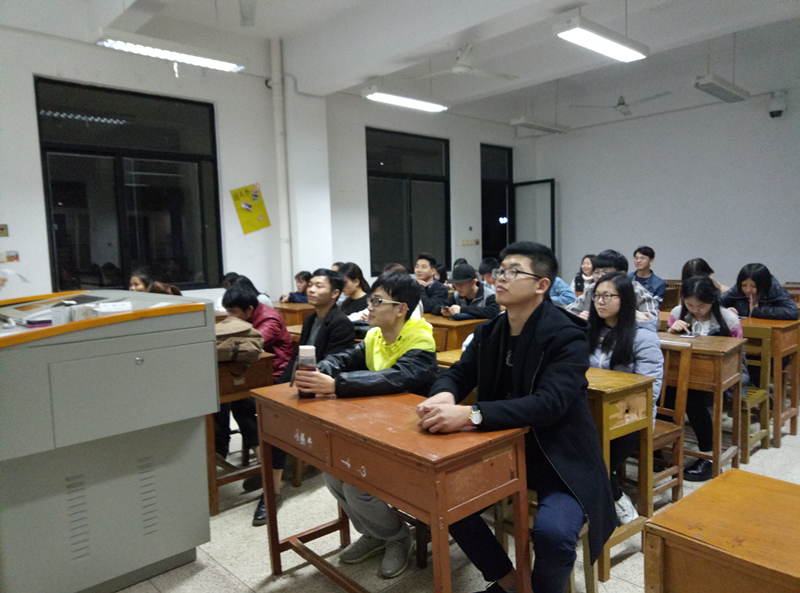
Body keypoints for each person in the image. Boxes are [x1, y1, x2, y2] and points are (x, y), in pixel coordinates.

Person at [417, 241, 615, 593]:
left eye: (513, 272)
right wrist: (444, 394)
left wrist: (472, 414)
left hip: (559, 457)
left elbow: (549, 404)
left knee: (553, 534)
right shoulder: (490, 332)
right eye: (500, 271)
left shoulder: (568, 335)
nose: (500, 278)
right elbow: (458, 374)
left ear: (542, 285)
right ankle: (509, 581)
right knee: (444, 500)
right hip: (500, 450)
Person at [294, 272, 438, 579]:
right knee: (333, 474)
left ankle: (398, 537)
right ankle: (375, 533)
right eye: (370, 299)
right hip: (376, 429)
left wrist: (337, 385)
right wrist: (321, 369)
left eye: (377, 301)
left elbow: (395, 378)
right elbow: (346, 358)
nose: (368, 307)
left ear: (401, 309)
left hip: (412, 437)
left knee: (357, 486)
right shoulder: (375, 336)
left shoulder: (420, 340)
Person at [250, 268, 356, 526]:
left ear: (335, 293)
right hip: (304, 382)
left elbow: (333, 365)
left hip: (324, 389)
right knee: (252, 406)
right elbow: (297, 359)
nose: (311, 289)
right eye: (310, 285)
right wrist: (280, 387)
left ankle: (272, 491)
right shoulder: (310, 320)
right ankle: (268, 471)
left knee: (276, 419)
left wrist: (292, 390)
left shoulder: (341, 323)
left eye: (319, 286)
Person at [587, 271, 663, 524]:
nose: (600, 301)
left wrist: (616, 413)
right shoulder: (589, 333)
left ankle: (617, 498)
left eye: (607, 296)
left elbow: (649, 392)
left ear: (625, 299)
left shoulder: (643, 337)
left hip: (632, 416)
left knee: (591, 459)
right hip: (592, 410)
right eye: (597, 296)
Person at [666, 275, 747, 481]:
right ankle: (661, 447)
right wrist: (671, 332)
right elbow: (668, 352)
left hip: (724, 379)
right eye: (689, 304)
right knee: (663, 394)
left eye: (701, 306)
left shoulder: (728, 319)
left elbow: (739, 359)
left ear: (712, 300)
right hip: (683, 377)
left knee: (690, 397)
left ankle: (708, 455)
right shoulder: (677, 313)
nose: (695, 310)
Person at [566, 250, 659, 330]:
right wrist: (578, 319)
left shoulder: (636, 290)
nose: (599, 276)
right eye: (596, 272)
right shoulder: (591, 289)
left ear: (622, 274)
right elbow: (566, 314)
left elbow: (655, 321)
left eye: (605, 272)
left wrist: (632, 317)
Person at [720, 263, 798, 320]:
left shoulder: (774, 290)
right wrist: (725, 311)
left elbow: (792, 312)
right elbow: (716, 304)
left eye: (753, 286)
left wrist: (757, 311)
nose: (747, 290)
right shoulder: (737, 290)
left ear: (763, 285)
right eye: (744, 285)